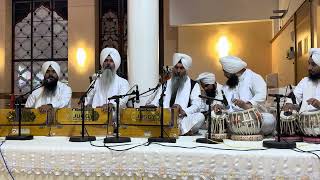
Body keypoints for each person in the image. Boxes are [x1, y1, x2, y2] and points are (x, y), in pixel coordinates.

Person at [217, 55, 275, 135]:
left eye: (226, 72)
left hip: (253, 117)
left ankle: (242, 130)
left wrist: (246, 105)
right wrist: (218, 105)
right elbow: (221, 98)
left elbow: (261, 95)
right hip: (233, 119)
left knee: (269, 119)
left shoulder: (254, 77)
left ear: (233, 71)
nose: (224, 75)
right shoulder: (229, 84)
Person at [149, 53, 204, 135]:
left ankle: (179, 130)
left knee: (200, 117)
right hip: (163, 119)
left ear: (186, 69)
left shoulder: (193, 85)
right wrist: (152, 106)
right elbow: (156, 101)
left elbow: (197, 105)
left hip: (181, 120)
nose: (178, 71)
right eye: (176, 67)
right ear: (173, 68)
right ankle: (182, 131)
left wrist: (183, 110)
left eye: (181, 68)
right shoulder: (165, 84)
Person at [284, 48, 320, 113]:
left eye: (313, 65)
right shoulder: (305, 81)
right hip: (302, 121)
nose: (309, 68)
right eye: (309, 64)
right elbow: (294, 97)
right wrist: (290, 104)